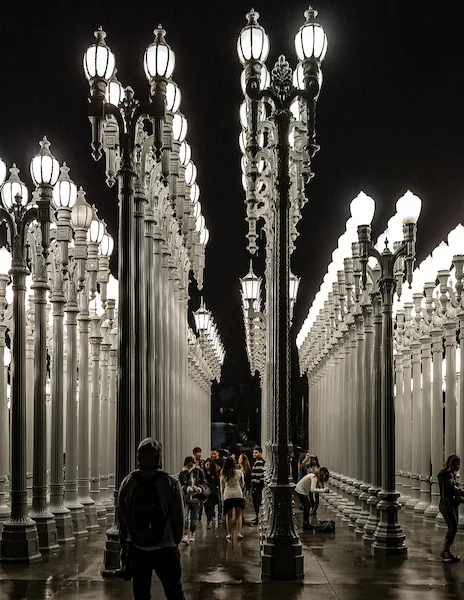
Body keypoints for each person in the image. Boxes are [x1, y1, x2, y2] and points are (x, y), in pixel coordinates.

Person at [117, 437, 185, 600]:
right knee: (174, 592)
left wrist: (125, 548)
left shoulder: (128, 482)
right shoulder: (170, 482)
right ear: (159, 456)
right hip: (166, 547)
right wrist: (175, 541)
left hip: (138, 547)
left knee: (141, 594)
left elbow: (122, 519)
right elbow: (178, 518)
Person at [438, 454, 464, 562]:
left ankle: (447, 551)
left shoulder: (452, 474)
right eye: (456, 464)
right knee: (452, 528)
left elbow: (454, 489)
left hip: (453, 505)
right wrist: (448, 504)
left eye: (459, 464)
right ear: (452, 463)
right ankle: (444, 551)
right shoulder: (443, 474)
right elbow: (445, 492)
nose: (458, 466)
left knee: (453, 528)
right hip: (447, 506)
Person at [178, 456, 205, 544]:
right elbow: (180, 485)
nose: (190, 466)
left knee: (194, 518)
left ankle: (192, 533)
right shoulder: (182, 473)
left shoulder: (199, 472)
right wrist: (187, 488)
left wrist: (199, 488)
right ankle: (185, 534)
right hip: (186, 498)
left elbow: (203, 483)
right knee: (185, 516)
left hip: (196, 498)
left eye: (191, 464)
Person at [221, 457, 245, 540]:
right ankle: (239, 533)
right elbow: (243, 484)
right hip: (238, 493)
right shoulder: (238, 472)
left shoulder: (223, 473)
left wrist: (222, 497)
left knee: (229, 516)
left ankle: (229, 534)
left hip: (228, 494)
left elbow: (222, 486)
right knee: (239, 515)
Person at [250, 446, 265, 525]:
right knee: (257, 502)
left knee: (257, 502)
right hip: (257, 486)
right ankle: (257, 517)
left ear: (260, 453)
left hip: (257, 486)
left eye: (256, 452)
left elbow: (259, 475)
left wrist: (255, 484)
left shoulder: (259, 462)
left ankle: (258, 517)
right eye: (254, 452)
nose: (254, 454)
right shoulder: (258, 462)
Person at [203, 457, 220, 529]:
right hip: (205, 492)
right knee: (206, 506)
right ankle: (209, 518)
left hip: (212, 493)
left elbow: (216, 482)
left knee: (210, 506)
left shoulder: (214, 473)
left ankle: (209, 519)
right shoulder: (203, 473)